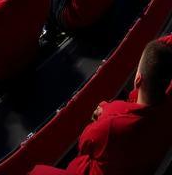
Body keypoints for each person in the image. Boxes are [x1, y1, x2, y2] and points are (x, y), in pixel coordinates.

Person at [28, 40, 172, 175]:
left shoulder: (110, 127)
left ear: (138, 79)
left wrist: (105, 114)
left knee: (36, 171)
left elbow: (84, 144)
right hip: (142, 163)